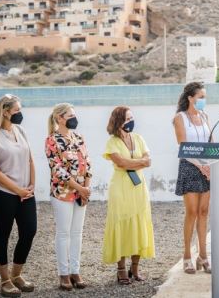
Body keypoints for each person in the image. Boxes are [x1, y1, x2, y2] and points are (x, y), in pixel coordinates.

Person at [0, 94, 37, 298]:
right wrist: (18, 190)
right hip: (2, 192)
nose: (20, 114)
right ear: (5, 112)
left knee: (29, 231)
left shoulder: (20, 130)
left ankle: (17, 275)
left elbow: (30, 159)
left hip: (25, 191)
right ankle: (5, 280)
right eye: (17, 111)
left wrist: (31, 186)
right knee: (3, 233)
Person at [102, 106, 155, 285]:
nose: (131, 122)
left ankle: (135, 268)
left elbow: (148, 161)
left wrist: (134, 163)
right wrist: (139, 162)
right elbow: (121, 163)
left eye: (132, 118)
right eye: (127, 119)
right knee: (121, 225)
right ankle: (121, 269)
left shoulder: (139, 138)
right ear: (118, 121)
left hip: (138, 188)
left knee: (139, 225)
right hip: (120, 188)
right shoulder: (112, 142)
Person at [45, 103, 91, 291]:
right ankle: (64, 274)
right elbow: (57, 170)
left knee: (77, 233)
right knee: (63, 233)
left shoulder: (79, 137)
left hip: (81, 192)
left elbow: (87, 163)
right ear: (59, 118)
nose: (74, 118)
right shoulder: (52, 140)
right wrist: (79, 187)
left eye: (74, 114)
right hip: (62, 192)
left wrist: (86, 188)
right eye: (70, 115)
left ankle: (75, 271)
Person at [173, 82, 211, 274]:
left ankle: (203, 256)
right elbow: (183, 146)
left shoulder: (205, 116)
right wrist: (201, 165)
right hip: (190, 167)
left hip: (207, 167)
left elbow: (210, 143)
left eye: (205, 97)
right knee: (192, 212)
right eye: (201, 97)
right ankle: (187, 256)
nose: (203, 100)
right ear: (190, 97)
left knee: (204, 212)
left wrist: (210, 165)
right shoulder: (180, 118)